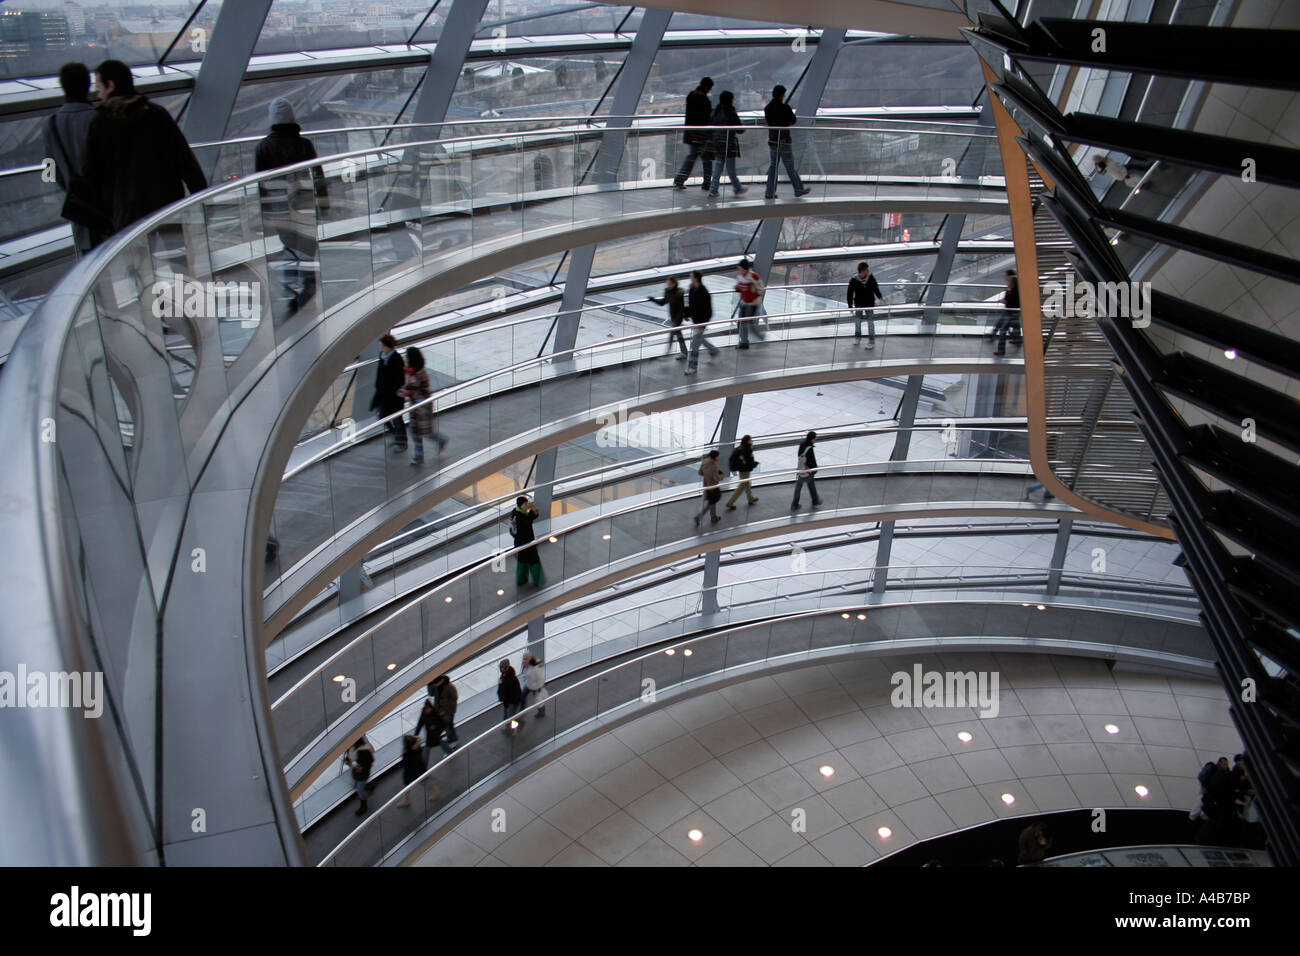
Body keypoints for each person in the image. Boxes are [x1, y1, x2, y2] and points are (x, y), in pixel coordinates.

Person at [84, 59, 206, 237]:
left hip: (127, 212)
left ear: (110, 86)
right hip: (168, 205)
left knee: (137, 262)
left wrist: (103, 214)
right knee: (176, 257)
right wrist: (201, 195)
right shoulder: (156, 114)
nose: (98, 95)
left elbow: (91, 172)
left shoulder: (100, 122)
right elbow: (184, 159)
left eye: (99, 88)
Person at [254, 97, 328, 315]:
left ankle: (291, 293)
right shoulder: (304, 145)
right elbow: (318, 176)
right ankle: (308, 291)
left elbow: (261, 185)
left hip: (279, 210)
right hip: (304, 206)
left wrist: (265, 214)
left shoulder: (263, 147)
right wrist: (323, 203)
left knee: (289, 248)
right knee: (306, 249)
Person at [43, 62, 103, 255]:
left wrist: (69, 187)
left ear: (63, 87)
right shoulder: (99, 118)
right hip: (108, 205)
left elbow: (50, 169)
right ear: (88, 86)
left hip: (79, 206)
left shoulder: (51, 124)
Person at [763, 85, 812, 200]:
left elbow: (769, 122)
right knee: (789, 165)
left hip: (773, 140)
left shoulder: (768, 108)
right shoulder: (785, 108)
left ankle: (770, 192)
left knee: (773, 166)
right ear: (782, 95)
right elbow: (793, 120)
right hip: (784, 139)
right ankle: (798, 189)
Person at [399, 345, 446, 465]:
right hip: (415, 406)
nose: (406, 359)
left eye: (407, 357)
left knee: (424, 431)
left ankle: (440, 441)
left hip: (422, 406)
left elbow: (422, 391)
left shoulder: (420, 373)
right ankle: (418, 455)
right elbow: (411, 387)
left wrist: (408, 392)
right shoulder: (412, 372)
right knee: (416, 431)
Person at [673, 77, 715, 191]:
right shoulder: (704, 101)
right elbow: (706, 118)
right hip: (701, 134)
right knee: (706, 159)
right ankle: (706, 183)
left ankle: (679, 179)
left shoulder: (691, 96)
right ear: (707, 87)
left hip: (691, 133)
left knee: (692, 156)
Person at [707, 91, 748, 198]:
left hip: (717, 143)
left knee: (718, 167)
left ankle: (713, 189)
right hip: (729, 144)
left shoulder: (716, 111)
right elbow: (739, 129)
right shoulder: (731, 112)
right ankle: (737, 187)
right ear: (730, 100)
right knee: (730, 168)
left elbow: (710, 126)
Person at [370, 334, 407, 449]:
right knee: (382, 417)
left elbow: (399, 379)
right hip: (383, 395)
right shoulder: (382, 356)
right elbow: (380, 374)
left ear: (388, 346)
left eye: (382, 345)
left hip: (394, 396)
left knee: (397, 419)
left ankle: (401, 442)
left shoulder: (397, 359)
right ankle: (397, 437)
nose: (381, 348)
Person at [685, 271, 719, 374]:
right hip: (696, 321)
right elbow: (690, 304)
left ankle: (693, 366)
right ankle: (714, 352)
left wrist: (704, 324)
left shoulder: (704, 292)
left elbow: (708, 310)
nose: (690, 277)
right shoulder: (692, 289)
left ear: (695, 278)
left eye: (691, 276)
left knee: (694, 345)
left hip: (700, 322)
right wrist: (686, 315)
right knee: (699, 340)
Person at [846, 261, 885, 349]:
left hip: (869, 303)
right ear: (862, 271)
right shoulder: (854, 280)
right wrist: (850, 306)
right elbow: (850, 293)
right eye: (866, 270)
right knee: (858, 322)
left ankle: (871, 341)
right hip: (859, 303)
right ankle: (857, 337)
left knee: (870, 322)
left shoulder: (871, 278)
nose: (868, 271)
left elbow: (875, 288)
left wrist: (880, 297)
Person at [648, 278, 689, 359]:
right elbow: (663, 302)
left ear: (674, 284)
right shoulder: (667, 291)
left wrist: (685, 316)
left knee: (672, 334)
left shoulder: (679, 292)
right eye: (668, 283)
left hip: (678, 317)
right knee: (678, 335)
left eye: (670, 283)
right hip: (673, 317)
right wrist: (652, 300)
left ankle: (666, 354)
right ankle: (684, 352)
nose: (668, 285)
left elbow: (683, 306)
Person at [510, 495, 546, 587]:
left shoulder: (517, 512)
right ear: (521, 505)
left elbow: (530, 518)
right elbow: (527, 522)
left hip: (520, 544)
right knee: (534, 561)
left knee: (522, 562)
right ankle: (538, 580)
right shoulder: (519, 516)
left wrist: (534, 513)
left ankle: (521, 580)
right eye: (525, 504)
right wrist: (532, 513)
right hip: (526, 543)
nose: (527, 505)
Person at [734, 258, 766, 348]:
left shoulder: (753, 276)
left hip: (752, 304)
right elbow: (739, 287)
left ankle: (746, 341)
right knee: (741, 323)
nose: (739, 271)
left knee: (747, 323)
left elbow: (761, 289)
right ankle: (745, 341)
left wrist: (754, 291)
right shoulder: (740, 276)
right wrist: (737, 288)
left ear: (745, 269)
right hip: (744, 302)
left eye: (740, 269)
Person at [344, 736, 376, 816]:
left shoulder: (363, 750)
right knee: (358, 786)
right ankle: (369, 787)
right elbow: (352, 760)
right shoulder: (352, 748)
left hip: (362, 774)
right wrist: (353, 764)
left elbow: (369, 761)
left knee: (360, 790)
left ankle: (364, 805)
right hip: (358, 773)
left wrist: (361, 767)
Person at [726, 434, 759, 509]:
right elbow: (748, 461)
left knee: (747, 483)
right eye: (751, 440)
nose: (752, 441)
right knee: (743, 486)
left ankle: (750, 498)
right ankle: (730, 502)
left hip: (741, 469)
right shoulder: (746, 450)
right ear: (748, 441)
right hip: (745, 470)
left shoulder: (740, 448)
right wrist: (755, 464)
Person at [694, 449, 726, 527]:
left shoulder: (705, 462)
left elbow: (700, 472)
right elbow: (716, 478)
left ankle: (713, 517)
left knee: (712, 502)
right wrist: (721, 476)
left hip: (706, 485)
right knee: (712, 502)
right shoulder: (714, 466)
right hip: (713, 486)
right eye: (718, 456)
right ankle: (699, 517)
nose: (719, 458)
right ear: (715, 457)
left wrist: (707, 475)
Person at [790, 431, 822, 509]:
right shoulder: (809, 448)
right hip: (808, 471)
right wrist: (814, 470)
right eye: (815, 438)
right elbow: (812, 461)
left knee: (799, 487)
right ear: (812, 439)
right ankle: (815, 501)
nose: (815, 440)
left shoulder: (802, 444)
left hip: (801, 469)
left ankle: (794, 504)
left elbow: (799, 455)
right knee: (811, 485)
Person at [993, 269, 1021, 356]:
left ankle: (1001, 351)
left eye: (1008, 279)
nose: (1006, 280)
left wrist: (1004, 300)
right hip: (1010, 312)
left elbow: (1009, 301)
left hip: (1011, 313)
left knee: (1002, 330)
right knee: (1014, 326)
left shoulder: (1014, 291)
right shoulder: (1011, 289)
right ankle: (1018, 340)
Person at [394, 733, 425, 807]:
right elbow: (419, 738)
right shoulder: (417, 748)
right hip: (418, 770)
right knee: (424, 782)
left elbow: (406, 763)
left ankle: (407, 801)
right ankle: (407, 801)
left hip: (410, 772)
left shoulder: (408, 752)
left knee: (424, 783)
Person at [430, 675, 459, 747]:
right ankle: (451, 737)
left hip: (448, 711)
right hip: (439, 710)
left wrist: (445, 711)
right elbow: (431, 693)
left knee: (448, 725)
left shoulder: (450, 687)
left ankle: (453, 740)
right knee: (446, 726)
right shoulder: (437, 687)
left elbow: (454, 699)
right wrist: (431, 685)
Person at [497, 659, 523, 734]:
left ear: (506, 667)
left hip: (511, 702)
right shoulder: (504, 675)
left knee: (510, 716)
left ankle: (513, 729)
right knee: (506, 715)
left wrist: (505, 699)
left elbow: (512, 692)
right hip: (507, 701)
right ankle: (509, 728)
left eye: (502, 667)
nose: (500, 669)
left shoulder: (510, 678)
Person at [521, 652, 548, 718]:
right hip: (528, 685)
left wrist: (536, 687)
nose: (524, 660)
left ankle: (541, 713)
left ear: (530, 659)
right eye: (523, 659)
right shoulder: (526, 666)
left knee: (538, 701)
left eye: (525, 659)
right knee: (522, 696)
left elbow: (541, 679)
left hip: (535, 687)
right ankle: (522, 711)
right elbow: (526, 674)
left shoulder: (536, 669)